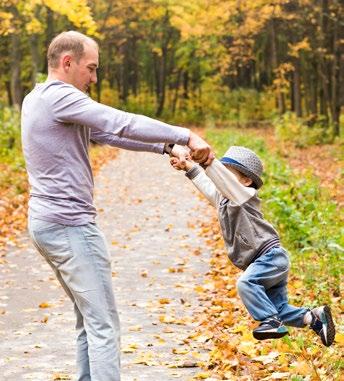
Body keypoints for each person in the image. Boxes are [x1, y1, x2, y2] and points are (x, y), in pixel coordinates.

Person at [21, 30, 214, 381]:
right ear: (68, 62)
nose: (94, 78)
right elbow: (119, 121)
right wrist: (183, 135)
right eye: (91, 68)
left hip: (46, 223)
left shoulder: (37, 98)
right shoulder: (59, 96)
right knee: (104, 326)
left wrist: (163, 148)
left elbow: (106, 135)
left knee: (88, 321)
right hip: (70, 226)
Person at [170, 145, 336, 346]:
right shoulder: (223, 199)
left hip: (269, 256)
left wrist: (207, 161)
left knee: (246, 284)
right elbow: (208, 185)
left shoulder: (245, 195)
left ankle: (270, 321)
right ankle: (314, 318)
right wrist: (189, 166)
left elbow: (223, 181)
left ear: (246, 180)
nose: (219, 179)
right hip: (263, 261)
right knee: (278, 309)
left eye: (226, 174)